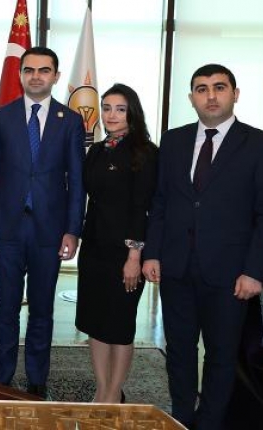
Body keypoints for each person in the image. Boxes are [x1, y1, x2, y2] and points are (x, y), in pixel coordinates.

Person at [142, 64, 263, 430]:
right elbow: (160, 201)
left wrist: (255, 271)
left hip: (231, 274)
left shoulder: (257, 143)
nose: (211, 95)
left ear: (235, 94)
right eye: (201, 89)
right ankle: (181, 418)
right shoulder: (173, 141)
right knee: (179, 351)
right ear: (191, 97)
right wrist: (152, 252)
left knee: (221, 356)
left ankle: (210, 423)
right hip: (176, 267)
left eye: (219, 87)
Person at [0, 46, 85, 398]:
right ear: (20, 74)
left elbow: (77, 181)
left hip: (50, 231)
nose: (36, 76)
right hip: (7, 228)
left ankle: (37, 380)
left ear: (55, 75)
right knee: (6, 308)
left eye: (44, 70)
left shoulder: (70, 121)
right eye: (29, 70)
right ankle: (2, 379)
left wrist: (73, 229)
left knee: (42, 309)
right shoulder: (2, 116)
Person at [75, 83, 158, 404]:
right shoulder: (97, 150)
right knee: (95, 321)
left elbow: (141, 206)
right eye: (107, 108)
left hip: (126, 253)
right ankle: (102, 388)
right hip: (94, 248)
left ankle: (114, 394)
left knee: (120, 324)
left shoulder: (145, 152)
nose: (111, 115)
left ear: (132, 113)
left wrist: (134, 256)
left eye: (120, 109)